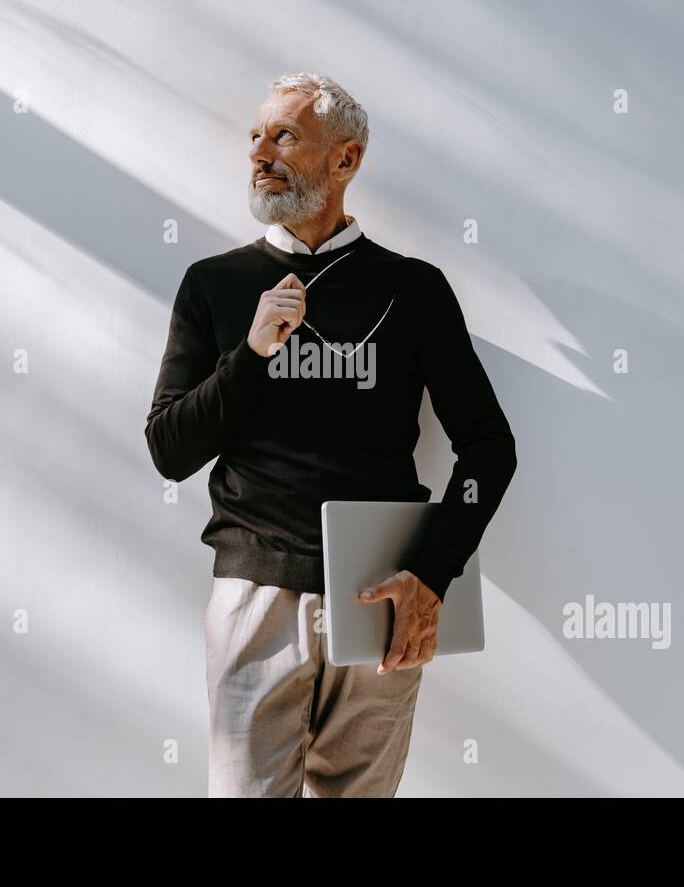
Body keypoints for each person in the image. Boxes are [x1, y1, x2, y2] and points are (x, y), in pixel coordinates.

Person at [145, 72, 517, 797]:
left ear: (345, 161)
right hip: (256, 594)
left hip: (380, 595)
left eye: (283, 135)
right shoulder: (215, 285)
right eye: (255, 137)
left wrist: (431, 577)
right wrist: (249, 355)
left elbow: (488, 447)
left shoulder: (415, 291)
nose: (260, 152)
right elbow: (169, 450)